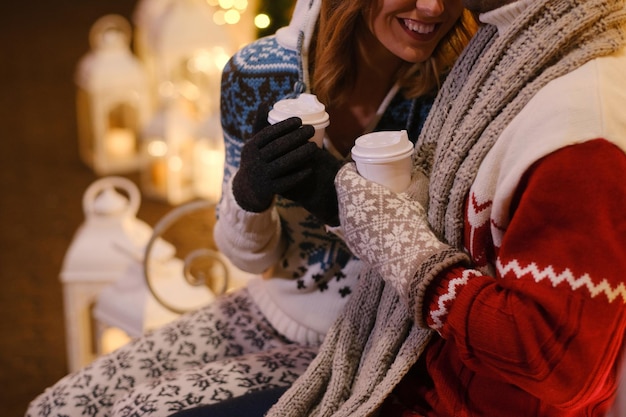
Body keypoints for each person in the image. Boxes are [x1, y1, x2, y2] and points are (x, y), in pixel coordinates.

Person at [25, 1, 476, 416]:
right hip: (265, 310)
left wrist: (335, 198)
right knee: (59, 406)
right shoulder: (262, 74)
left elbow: (437, 258)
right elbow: (247, 255)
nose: (433, 7)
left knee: (134, 411)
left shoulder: (459, 89)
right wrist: (249, 192)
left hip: (370, 346)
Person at [255, 0, 626, 416]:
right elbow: (458, 230)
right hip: (398, 365)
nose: (433, 5)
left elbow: (561, 367)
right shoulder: (505, 44)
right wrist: (338, 202)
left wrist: (399, 250)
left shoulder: (581, 129)